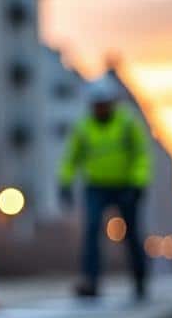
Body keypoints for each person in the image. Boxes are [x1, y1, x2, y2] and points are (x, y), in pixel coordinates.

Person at [58, 76, 151, 300]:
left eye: (103, 104)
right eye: (96, 105)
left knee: (132, 233)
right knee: (91, 230)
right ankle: (90, 281)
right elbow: (72, 158)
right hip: (96, 186)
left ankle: (140, 279)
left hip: (125, 186)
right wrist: (65, 182)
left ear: (112, 103)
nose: (99, 109)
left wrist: (139, 183)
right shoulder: (83, 127)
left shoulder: (128, 124)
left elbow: (141, 155)